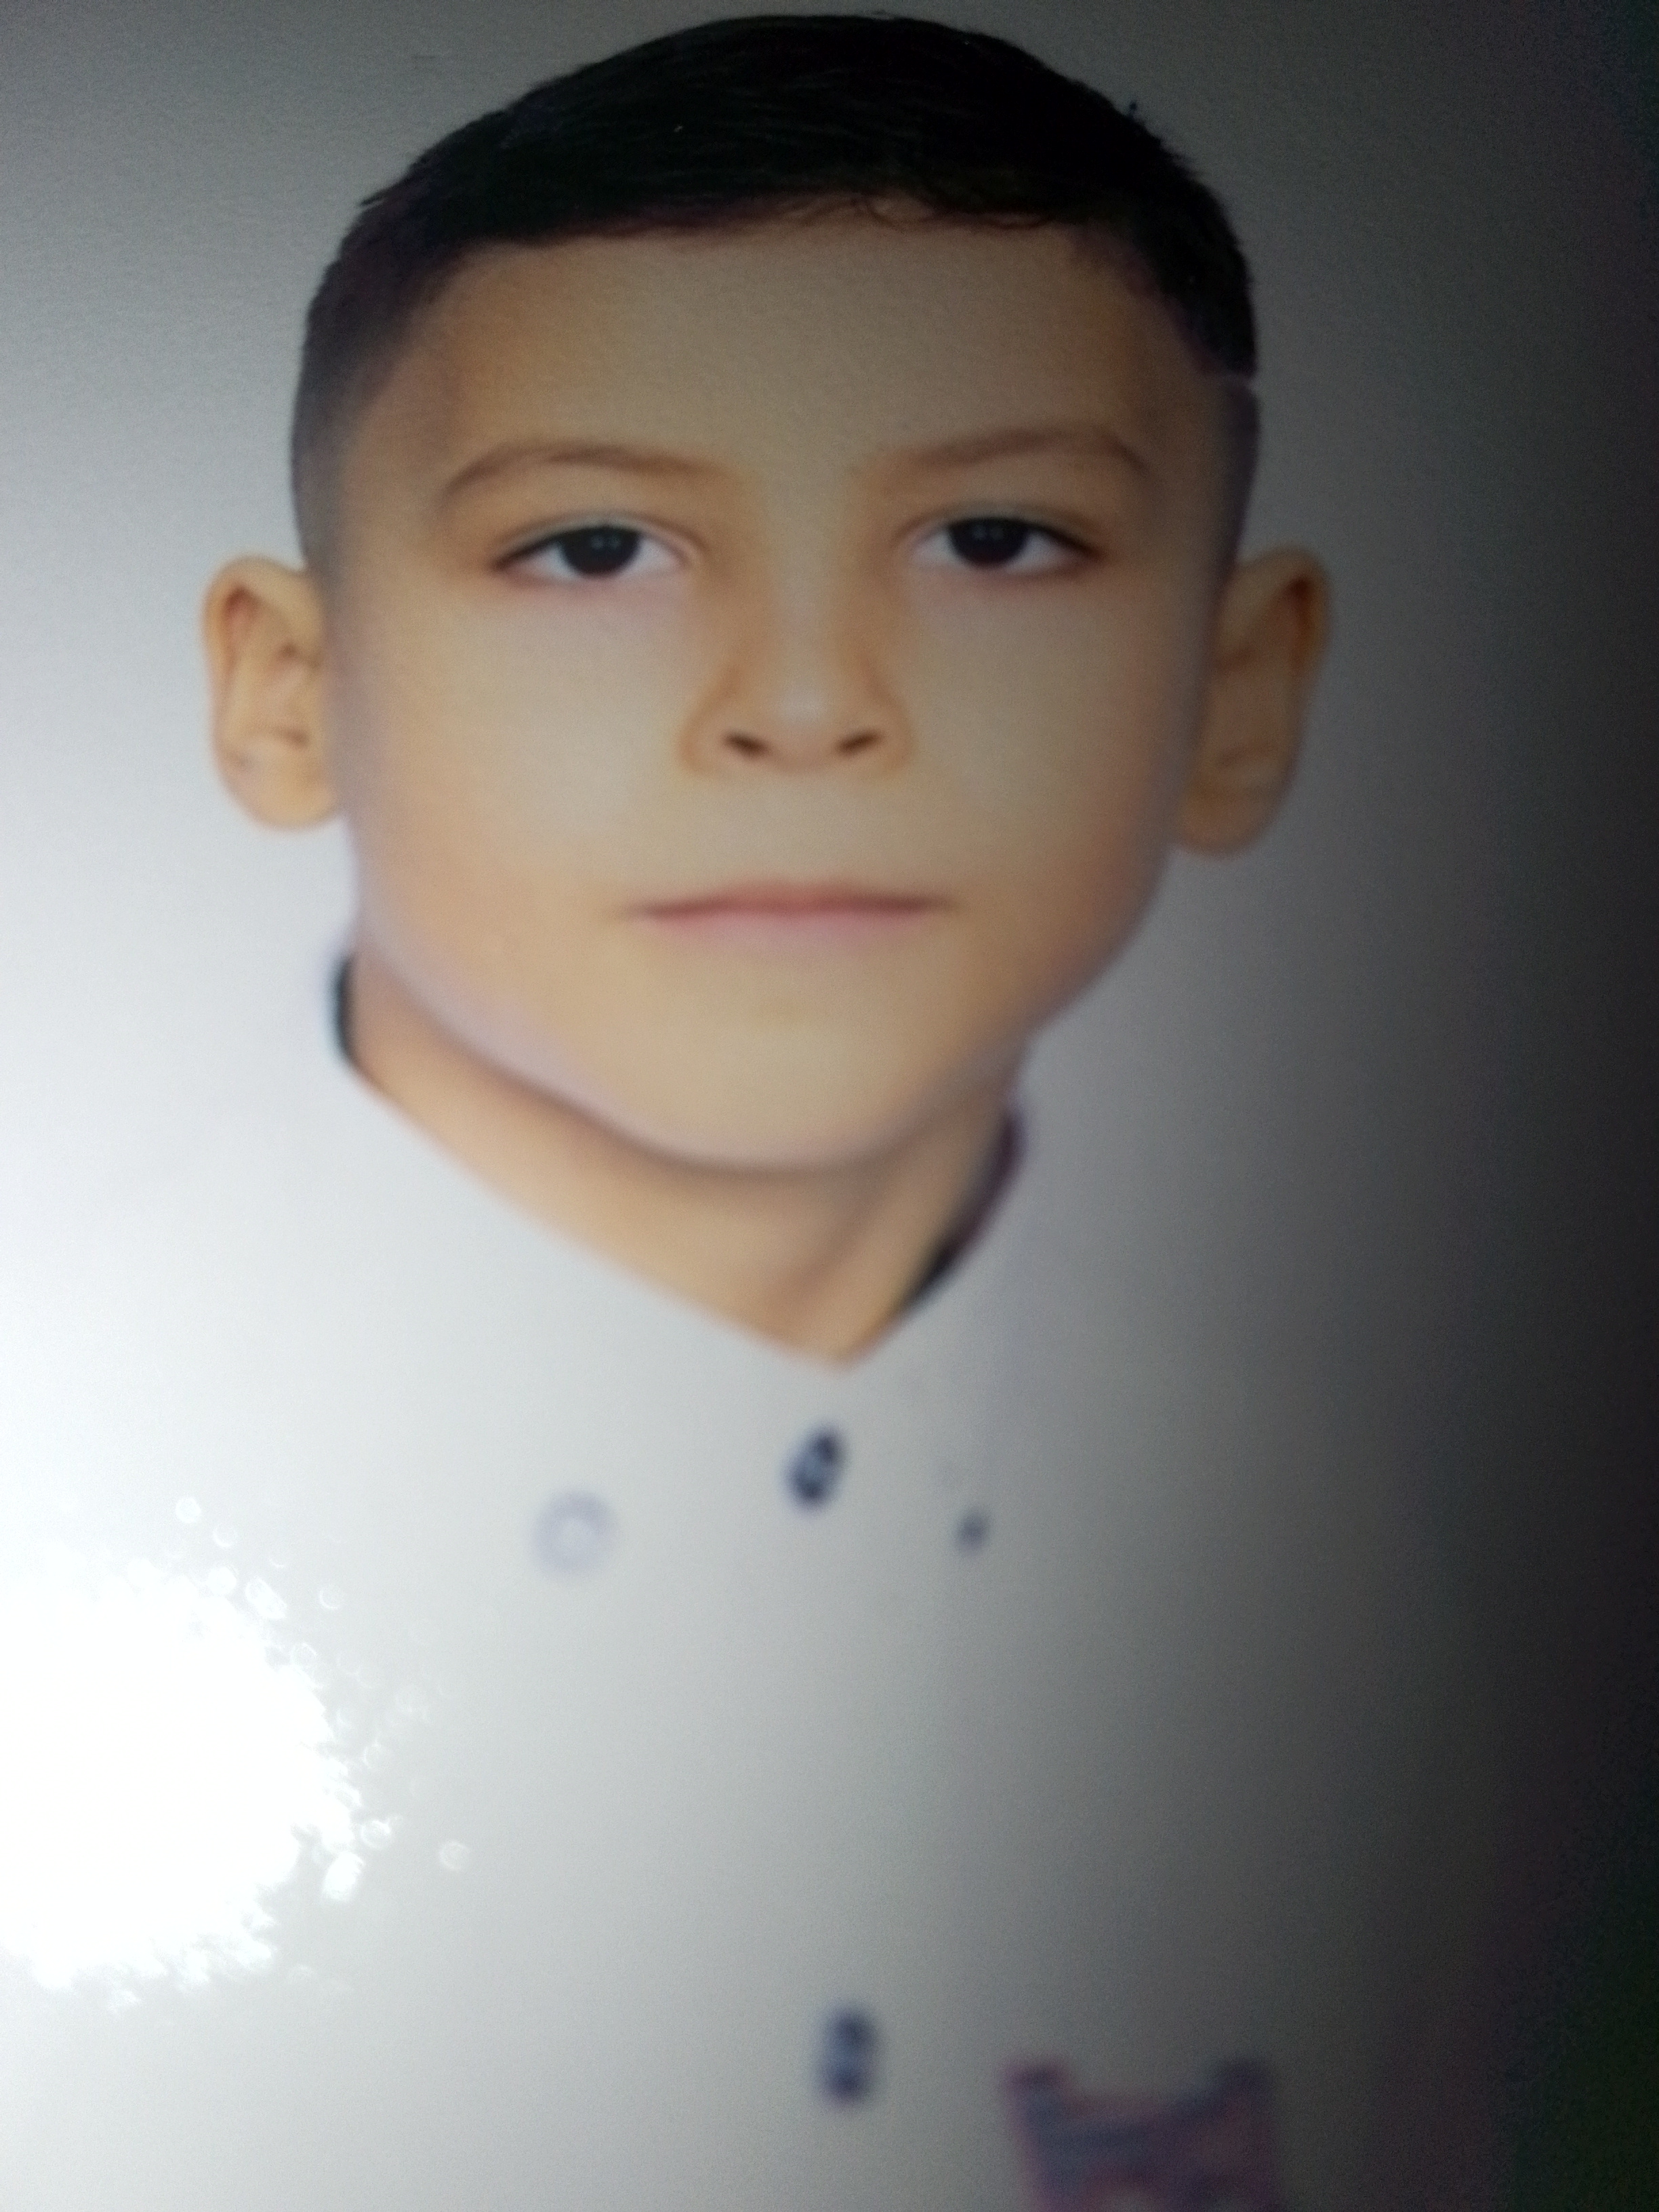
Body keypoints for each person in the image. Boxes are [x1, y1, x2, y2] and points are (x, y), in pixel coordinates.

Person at [0, 18, 1492, 2209]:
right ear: (290, 692)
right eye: (598, 549)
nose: (804, 705)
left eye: (996, 538)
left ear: (1235, 690)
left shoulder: (1325, 1605)